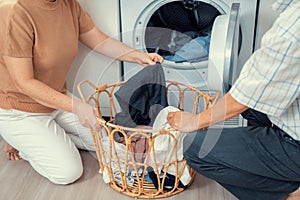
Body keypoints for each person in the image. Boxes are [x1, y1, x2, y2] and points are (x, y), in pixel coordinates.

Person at [0, 0, 163, 184]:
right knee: (68, 172)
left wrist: (138, 56)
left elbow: (98, 40)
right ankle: (19, 139)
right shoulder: (14, 11)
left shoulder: (68, 4)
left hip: (55, 99)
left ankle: (32, 137)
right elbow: (24, 82)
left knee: (105, 143)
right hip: (20, 110)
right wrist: (76, 107)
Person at [167, 0, 300, 199]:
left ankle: (290, 191)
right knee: (238, 95)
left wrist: (195, 121)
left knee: (194, 147)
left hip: (296, 143)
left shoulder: (292, 29)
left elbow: (243, 97)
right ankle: (266, 158)